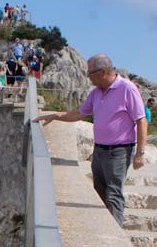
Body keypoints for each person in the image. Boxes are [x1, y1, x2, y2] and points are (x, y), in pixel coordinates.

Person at [34, 54, 147, 225]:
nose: (88, 77)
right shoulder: (95, 93)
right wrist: (56, 115)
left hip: (119, 150)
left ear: (102, 72)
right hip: (99, 150)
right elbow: (80, 113)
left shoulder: (127, 89)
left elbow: (141, 120)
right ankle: (103, 226)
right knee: (99, 191)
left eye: (90, 73)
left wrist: (140, 153)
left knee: (114, 193)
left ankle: (115, 234)